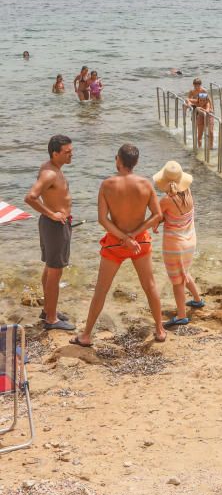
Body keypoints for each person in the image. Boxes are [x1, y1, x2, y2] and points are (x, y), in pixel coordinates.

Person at [70, 144, 166, 346]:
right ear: (136, 162)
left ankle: (86, 335)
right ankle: (160, 330)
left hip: (115, 242)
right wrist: (133, 235)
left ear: (118, 160)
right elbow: (157, 215)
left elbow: (102, 219)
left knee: (101, 289)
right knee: (149, 286)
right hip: (139, 241)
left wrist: (124, 238)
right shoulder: (146, 184)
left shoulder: (107, 185)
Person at [25, 135, 75, 331]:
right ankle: (52, 320)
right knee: (55, 271)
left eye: (71, 150)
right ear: (55, 154)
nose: (72, 154)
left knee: (50, 268)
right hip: (54, 226)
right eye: (67, 152)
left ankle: (48, 310)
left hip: (53, 224)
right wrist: (52, 214)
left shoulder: (52, 168)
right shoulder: (49, 174)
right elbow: (30, 197)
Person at [153, 161, 204, 327]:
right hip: (190, 240)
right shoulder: (188, 193)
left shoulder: (166, 200)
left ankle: (181, 315)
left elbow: (156, 219)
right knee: (184, 272)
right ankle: (197, 300)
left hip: (175, 245)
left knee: (177, 282)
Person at [186, 78, 214, 149]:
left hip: (203, 108)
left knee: (209, 130)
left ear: (200, 85)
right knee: (197, 125)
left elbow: (209, 100)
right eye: (195, 85)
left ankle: (210, 146)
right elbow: (188, 98)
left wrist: (211, 108)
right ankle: (199, 144)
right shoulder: (192, 91)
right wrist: (189, 104)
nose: (197, 86)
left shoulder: (203, 91)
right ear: (193, 85)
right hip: (196, 107)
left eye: (198, 85)